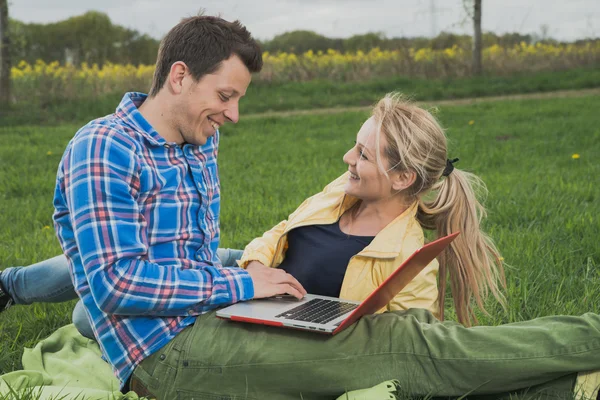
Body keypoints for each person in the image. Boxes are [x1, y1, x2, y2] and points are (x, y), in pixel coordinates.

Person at [2, 14, 599, 400]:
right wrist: (239, 286)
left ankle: (563, 385)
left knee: (408, 340)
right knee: (412, 351)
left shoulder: (196, 142)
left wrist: (250, 287)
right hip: (168, 353)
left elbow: (200, 259)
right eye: (226, 95)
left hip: (214, 316)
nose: (233, 114)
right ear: (179, 77)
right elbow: (111, 286)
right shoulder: (103, 149)